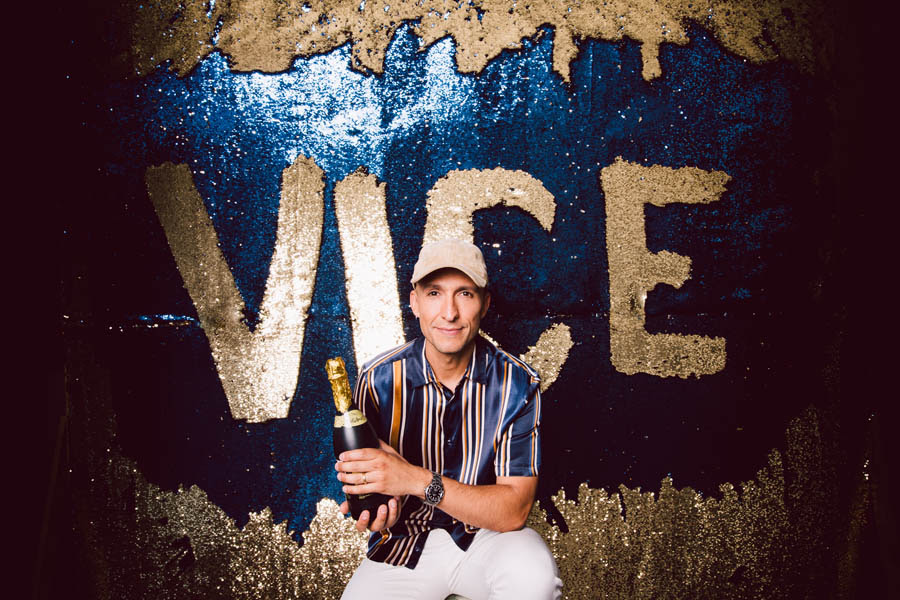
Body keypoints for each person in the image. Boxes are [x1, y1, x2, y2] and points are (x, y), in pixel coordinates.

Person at [336, 239, 562, 599]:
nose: (450, 312)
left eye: (465, 294)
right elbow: (372, 483)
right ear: (414, 302)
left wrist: (414, 479)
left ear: (485, 303)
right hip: (404, 545)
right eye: (434, 293)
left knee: (533, 577)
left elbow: (514, 511)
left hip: (489, 539)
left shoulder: (518, 384)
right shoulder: (377, 380)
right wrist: (376, 505)